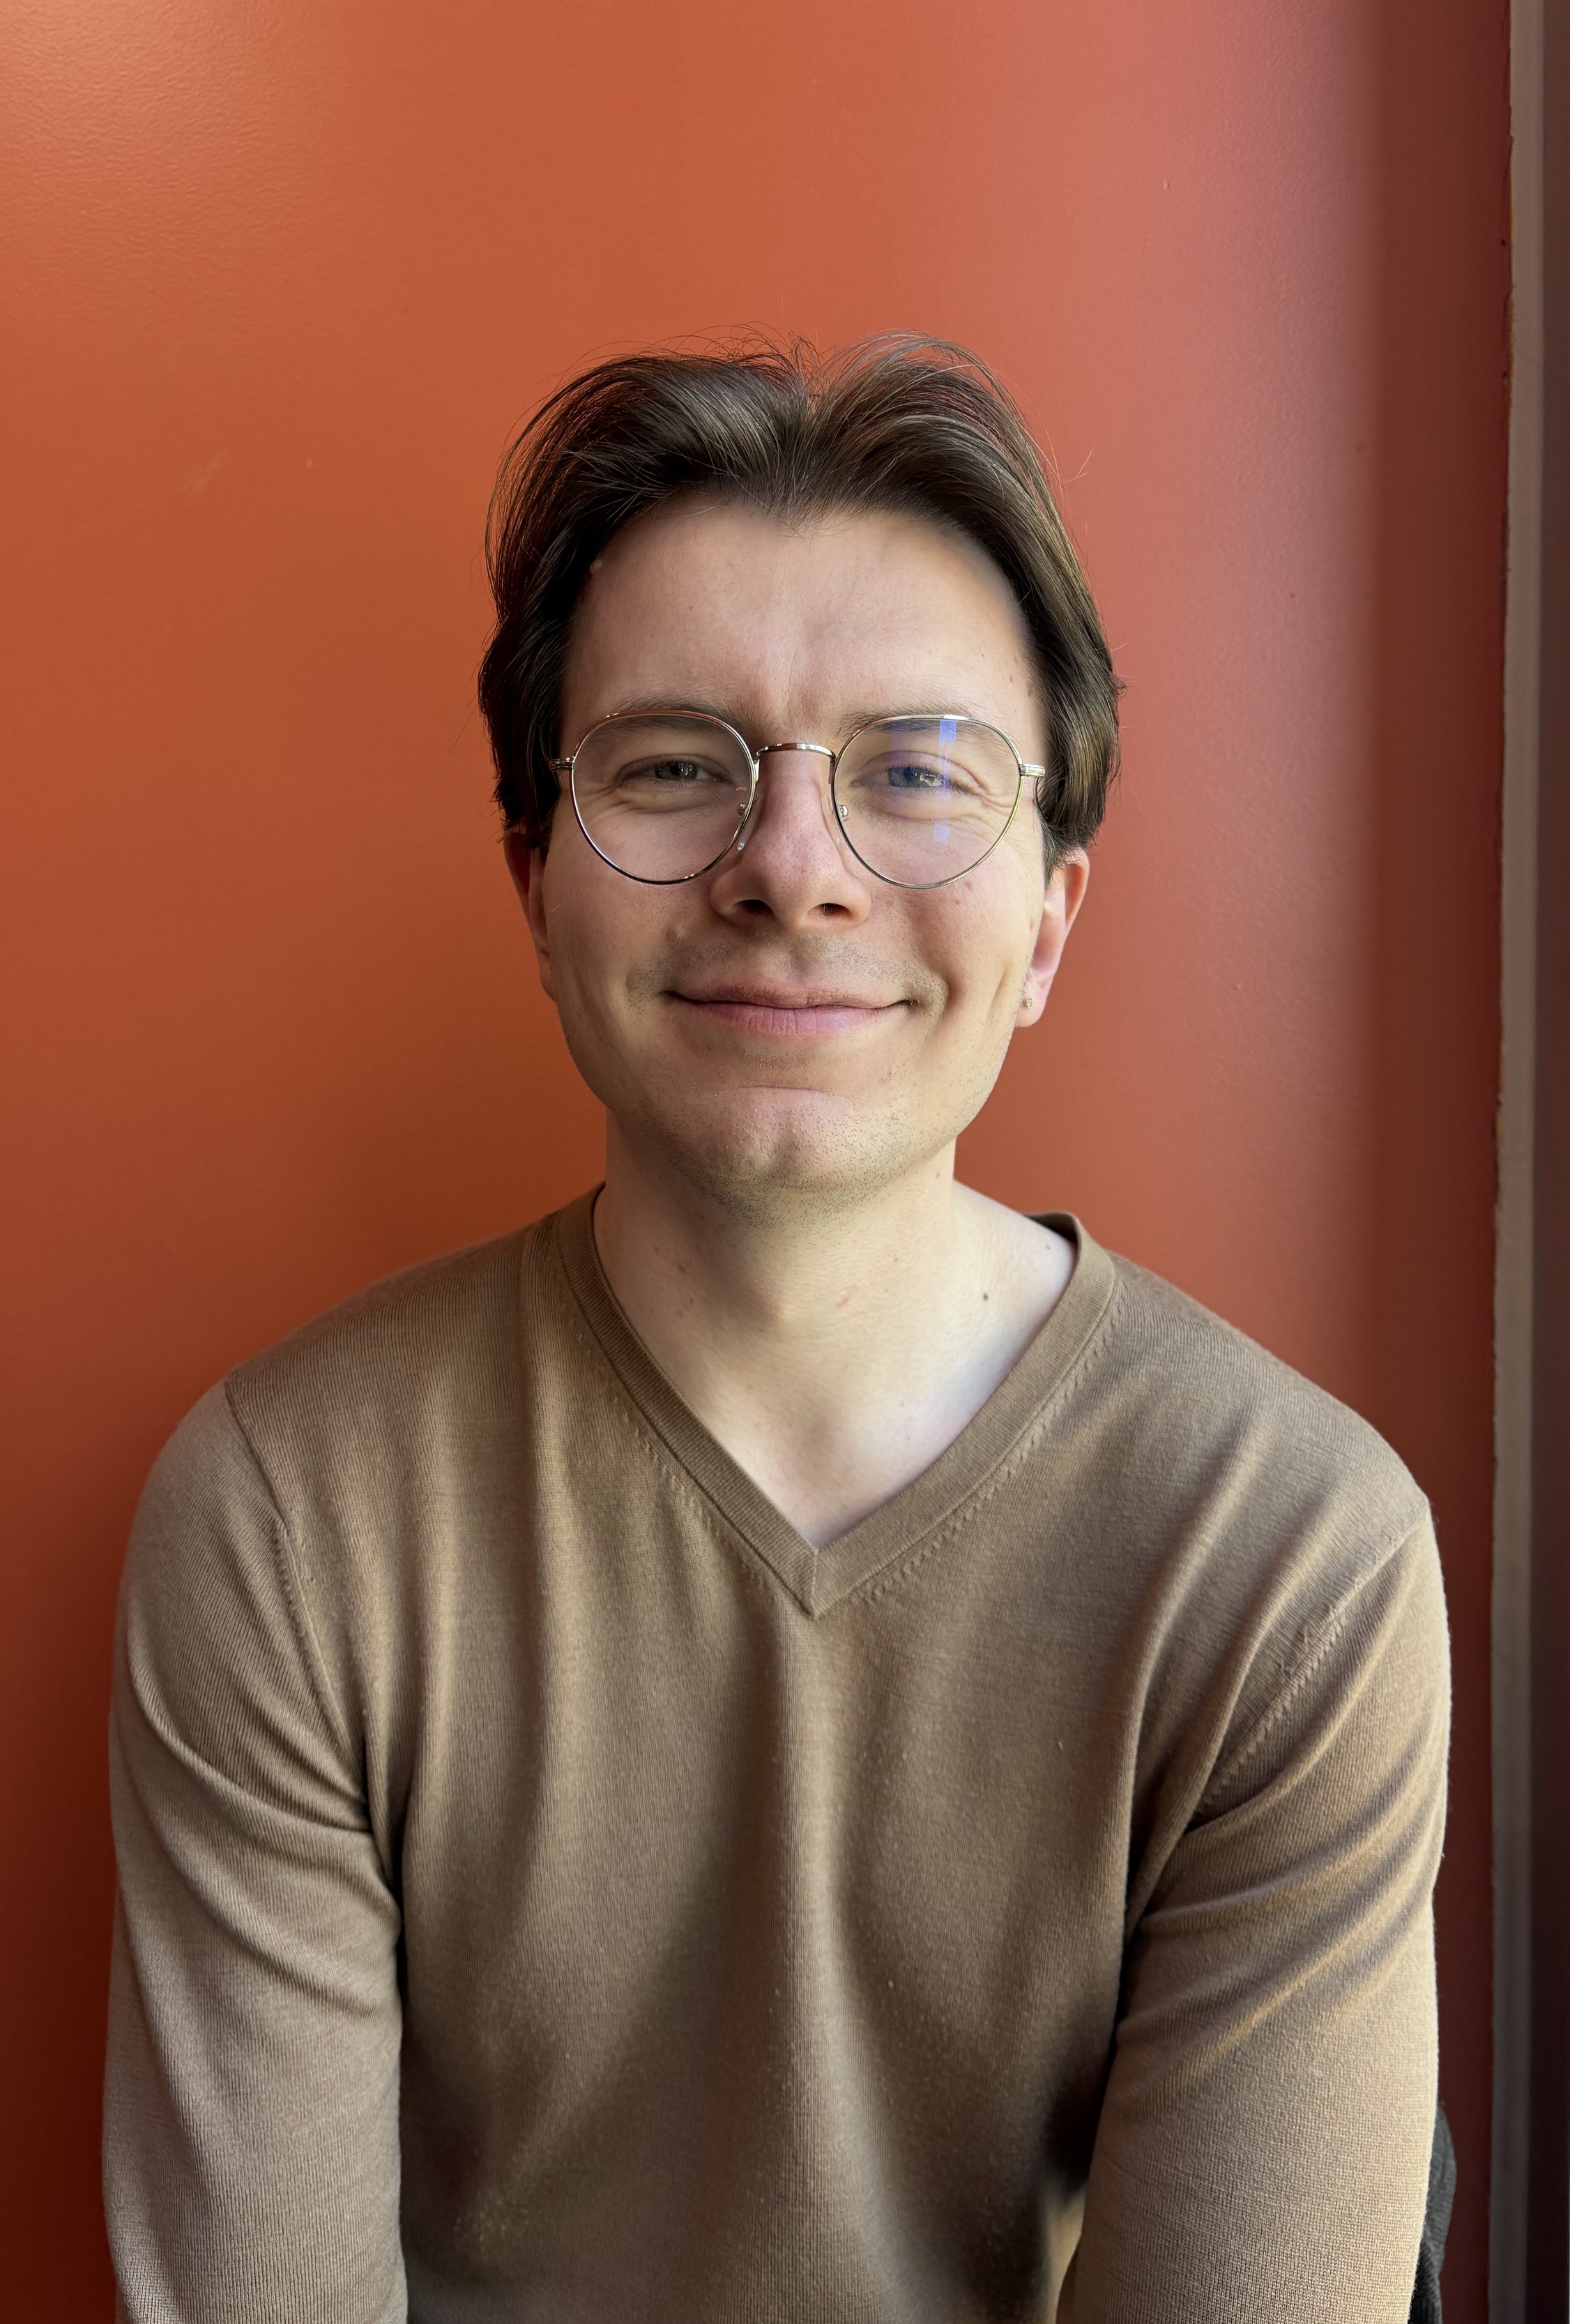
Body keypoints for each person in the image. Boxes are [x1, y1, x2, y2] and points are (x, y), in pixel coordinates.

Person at [102, 338, 1451, 2323]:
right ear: (531, 880)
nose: (791, 871)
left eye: (913, 775)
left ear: (1051, 921)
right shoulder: (291, 1515)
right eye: (671, 765)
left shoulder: (1285, 1556)